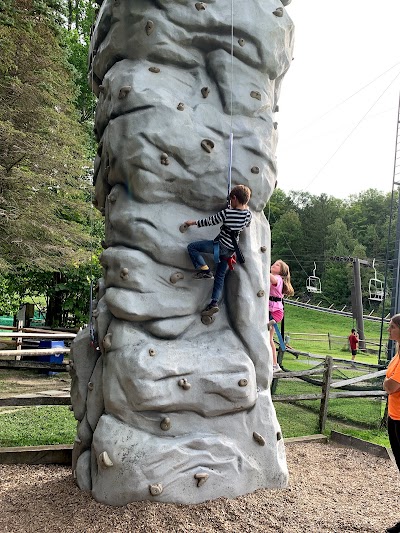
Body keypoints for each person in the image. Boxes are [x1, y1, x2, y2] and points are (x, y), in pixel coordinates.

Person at [184, 184, 252, 317]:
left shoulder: (227, 213)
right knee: (219, 277)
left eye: (231, 200)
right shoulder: (248, 215)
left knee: (192, 247)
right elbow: (246, 223)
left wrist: (193, 223)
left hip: (220, 246)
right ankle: (214, 303)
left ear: (234, 198)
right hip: (231, 250)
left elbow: (210, 221)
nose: (230, 202)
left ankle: (205, 270)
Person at [383, 314, 400, 533]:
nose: (388, 330)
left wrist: (387, 383)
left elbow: (392, 385)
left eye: (392, 327)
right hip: (394, 416)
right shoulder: (397, 353)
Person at [269, 260, 294, 373]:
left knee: (268, 339)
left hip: (274, 311)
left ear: (281, 271)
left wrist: (262, 266)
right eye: (274, 263)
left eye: (277, 265)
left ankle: (275, 364)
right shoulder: (274, 278)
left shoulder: (278, 278)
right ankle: (273, 363)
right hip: (271, 310)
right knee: (268, 338)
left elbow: (272, 279)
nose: (274, 264)